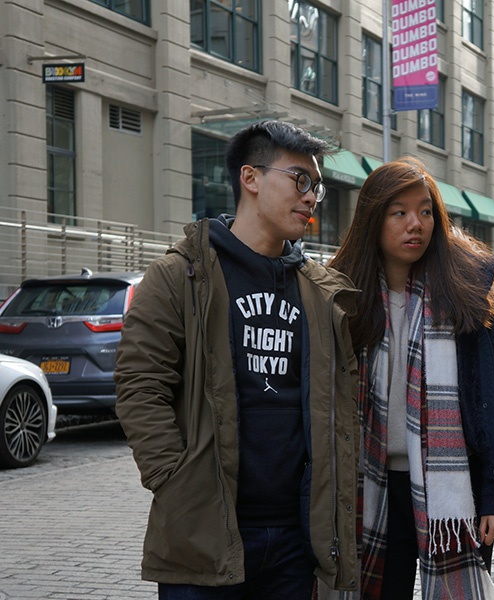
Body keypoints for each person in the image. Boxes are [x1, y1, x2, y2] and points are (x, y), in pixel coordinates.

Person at [114, 120, 361, 599]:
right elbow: (139, 386)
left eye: (318, 187)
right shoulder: (180, 276)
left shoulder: (316, 289)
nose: (311, 197)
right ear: (250, 178)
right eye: (300, 180)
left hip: (294, 539)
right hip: (205, 534)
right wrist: (175, 481)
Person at [327, 158, 494, 599]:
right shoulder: (339, 298)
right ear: (373, 220)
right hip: (368, 487)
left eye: (426, 210)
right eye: (399, 212)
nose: (415, 223)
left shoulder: (467, 291)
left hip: (455, 492)